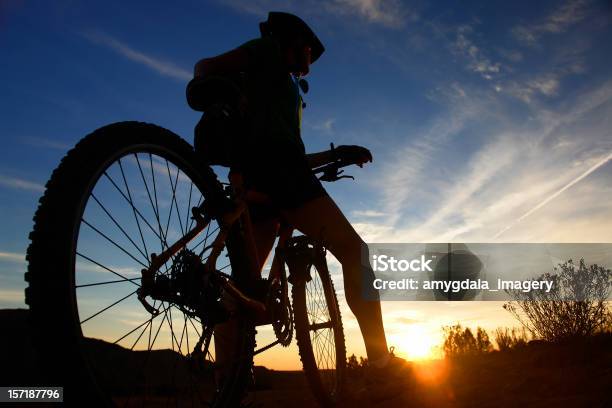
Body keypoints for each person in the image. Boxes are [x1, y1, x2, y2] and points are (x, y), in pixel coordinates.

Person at [191, 11, 408, 393]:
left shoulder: (276, 84)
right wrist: (222, 90)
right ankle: (381, 364)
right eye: (308, 50)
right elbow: (205, 66)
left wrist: (336, 153)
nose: (310, 62)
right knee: (357, 252)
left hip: (259, 180)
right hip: (285, 180)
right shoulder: (265, 52)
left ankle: (228, 383)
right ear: (293, 42)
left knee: (241, 289)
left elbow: (290, 151)